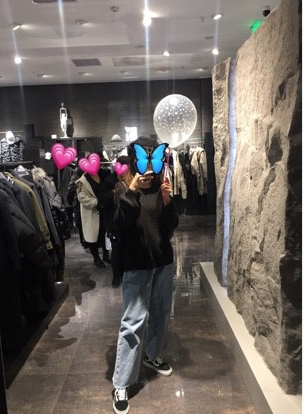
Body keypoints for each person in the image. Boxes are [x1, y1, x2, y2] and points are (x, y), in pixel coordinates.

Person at [111, 136, 179, 414]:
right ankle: (121, 382)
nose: (149, 171)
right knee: (132, 323)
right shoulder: (122, 189)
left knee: (161, 313)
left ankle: (152, 356)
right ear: (134, 162)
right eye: (143, 163)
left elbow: (171, 226)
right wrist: (131, 192)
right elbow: (118, 225)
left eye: (153, 163)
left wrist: (167, 200)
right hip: (136, 265)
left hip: (162, 262)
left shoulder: (161, 188)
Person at [98, 155, 131, 288]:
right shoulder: (110, 180)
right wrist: (114, 193)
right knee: (116, 249)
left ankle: (125, 272)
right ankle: (116, 276)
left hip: (128, 220)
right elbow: (102, 199)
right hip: (114, 221)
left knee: (127, 248)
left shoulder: (131, 179)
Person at [76, 165, 111, 267]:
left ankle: (106, 255)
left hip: (105, 210)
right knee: (92, 235)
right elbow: (81, 197)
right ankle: (96, 258)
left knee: (105, 233)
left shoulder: (104, 175)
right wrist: (96, 203)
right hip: (91, 211)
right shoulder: (83, 180)